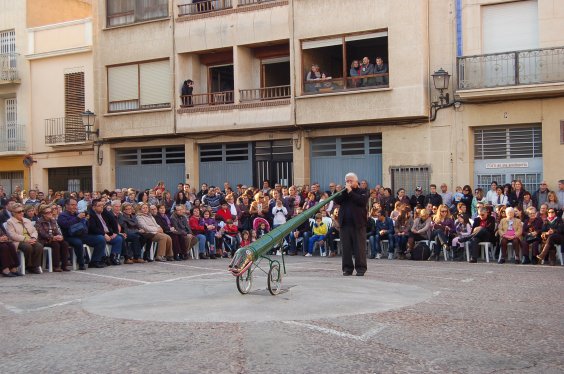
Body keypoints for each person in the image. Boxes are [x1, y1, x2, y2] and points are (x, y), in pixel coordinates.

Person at [334, 172, 369, 276]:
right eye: (347, 181)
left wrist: (350, 192)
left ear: (356, 181)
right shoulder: (344, 192)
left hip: (358, 224)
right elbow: (337, 200)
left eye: (351, 181)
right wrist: (342, 191)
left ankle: (361, 269)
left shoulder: (363, 191)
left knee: (359, 247)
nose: (349, 183)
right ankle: (347, 268)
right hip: (345, 223)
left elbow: (361, 201)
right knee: (346, 248)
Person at [5, 203, 44, 274]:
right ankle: (28, 266)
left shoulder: (27, 220)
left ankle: (35, 266)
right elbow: (12, 235)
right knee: (28, 247)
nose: (22, 213)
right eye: (19, 212)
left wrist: (33, 238)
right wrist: (26, 239)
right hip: (18, 241)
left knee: (39, 246)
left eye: (22, 211)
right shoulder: (10, 222)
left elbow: (34, 230)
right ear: (13, 213)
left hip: (30, 239)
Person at [88, 199, 124, 265]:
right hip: (96, 234)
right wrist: (104, 234)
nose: (102, 207)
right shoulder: (91, 214)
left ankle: (114, 258)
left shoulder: (103, 212)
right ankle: (98, 260)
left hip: (106, 233)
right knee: (101, 238)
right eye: (99, 205)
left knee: (118, 238)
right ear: (94, 207)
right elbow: (93, 228)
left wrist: (115, 232)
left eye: (102, 205)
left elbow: (113, 220)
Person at [36, 204, 70, 272]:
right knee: (56, 244)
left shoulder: (53, 220)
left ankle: (64, 265)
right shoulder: (39, 222)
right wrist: (52, 237)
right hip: (44, 240)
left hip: (54, 239)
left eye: (50, 212)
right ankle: (56, 266)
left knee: (65, 243)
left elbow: (57, 230)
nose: (50, 213)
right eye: (47, 212)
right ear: (43, 214)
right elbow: (42, 233)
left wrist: (59, 236)